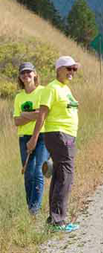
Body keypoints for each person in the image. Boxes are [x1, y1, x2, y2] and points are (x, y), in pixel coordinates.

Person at [26, 56, 81, 232]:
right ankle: (58, 221)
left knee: (59, 175)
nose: (72, 72)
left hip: (67, 135)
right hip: (58, 134)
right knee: (65, 175)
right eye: (68, 68)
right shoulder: (52, 88)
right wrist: (34, 138)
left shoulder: (65, 89)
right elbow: (42, 114)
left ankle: (54, 219)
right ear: (58, 69)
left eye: (74, 69)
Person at [13, 62, 49, 216]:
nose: (26, 75)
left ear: (35, 74)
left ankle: (35, 210)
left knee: (38, 172)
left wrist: (25, 115)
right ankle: (30, 208)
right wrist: (33, 114)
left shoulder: (43, 91)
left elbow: (43, 114)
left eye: (29, 72)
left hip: (42, 136)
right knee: (28, 174)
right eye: (23, 73)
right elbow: (16, 121)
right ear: (20, 77)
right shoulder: (19, 97)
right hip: (23, 138)